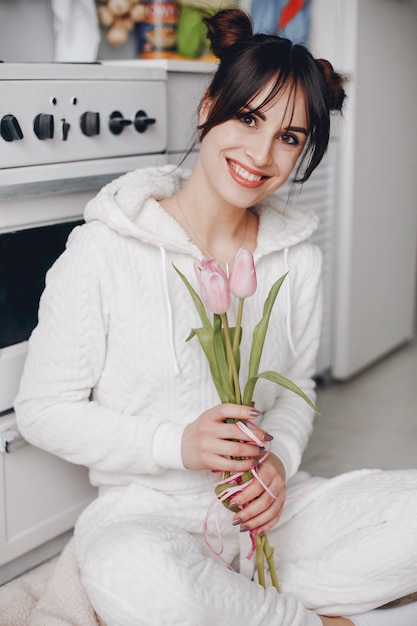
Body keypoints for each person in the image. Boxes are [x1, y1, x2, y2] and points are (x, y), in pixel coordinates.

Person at [14, 9, 417, 626]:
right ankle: (309, 617)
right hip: (149, 516)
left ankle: (247, 604)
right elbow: (43, 411)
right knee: (127, 572)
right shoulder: (104, 249)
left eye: (289, 137)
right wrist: (176, 443)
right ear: (208, 107)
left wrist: (278, 461)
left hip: (272, 515)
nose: (262, 154)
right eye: (249, 118)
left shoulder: (297, 262)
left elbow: (296, 392)